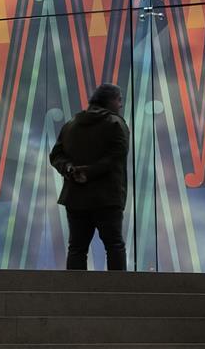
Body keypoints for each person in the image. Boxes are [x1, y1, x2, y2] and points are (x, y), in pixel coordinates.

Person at [49, 83, 129, 270]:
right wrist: (89, 172)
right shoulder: (116, 124)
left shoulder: (71, 125)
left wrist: (70, 169)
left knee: (77, 249)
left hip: (75, 197)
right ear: (110, 100)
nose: (120, 105)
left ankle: (75, 289)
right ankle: (118, 288)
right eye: (119, 100)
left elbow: (56, 155)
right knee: (114, 246)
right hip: (107, 198)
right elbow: (116, 157)